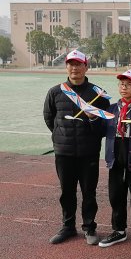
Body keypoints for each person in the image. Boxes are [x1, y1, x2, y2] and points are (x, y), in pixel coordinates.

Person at [43, 50, 110, 245]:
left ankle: (90, 227)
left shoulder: (98, 94)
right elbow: (49, 118)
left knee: (89, 192)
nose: (74, 68)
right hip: (64, 152)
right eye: (71, 64)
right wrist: (60, 135)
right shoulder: (55, 92)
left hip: (88, 152)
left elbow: (104, 127)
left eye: (78, 64)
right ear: (66, 67)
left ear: (86, 66)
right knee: (67, 191)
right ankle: (68, 226)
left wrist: (93, 120)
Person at [98, 70, 131, 252]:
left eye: (129, 84)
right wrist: (91, 119)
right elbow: (102, 131)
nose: (124, 87)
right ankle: (119, 230)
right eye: (121, 84)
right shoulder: (112, 109)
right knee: (115, 196)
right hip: (115, 157)